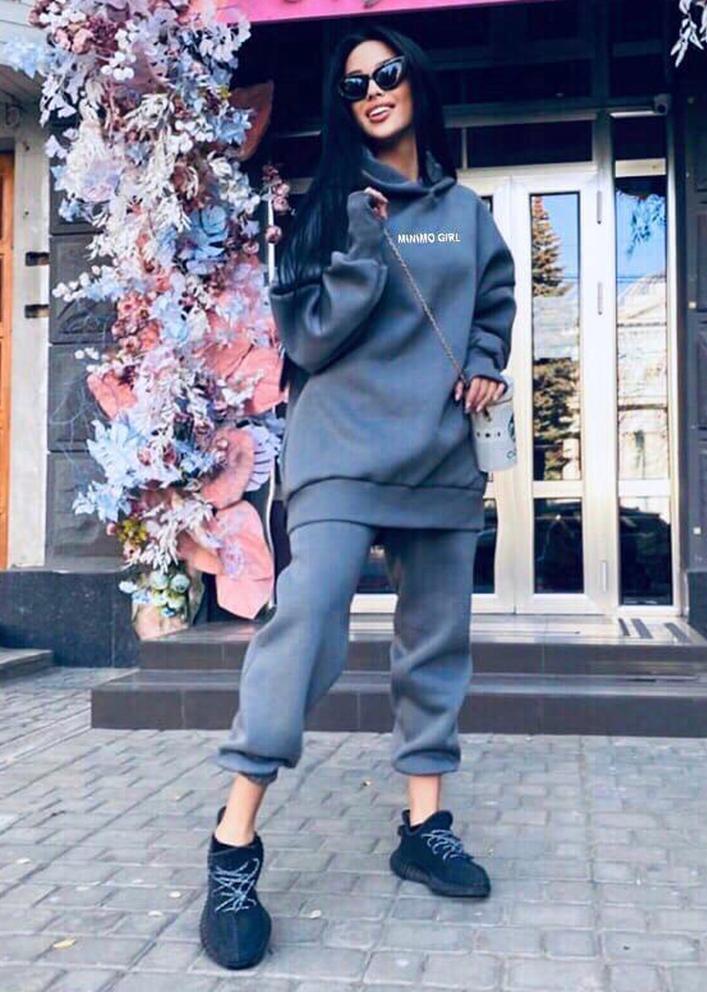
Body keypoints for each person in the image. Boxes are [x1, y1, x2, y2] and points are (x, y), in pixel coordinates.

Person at [199, 23, 516, 971]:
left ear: (417, 81)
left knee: (435, 640)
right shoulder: (326, 211)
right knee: (306, 622)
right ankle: (233, 844)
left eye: (386, 73)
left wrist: (486, 364)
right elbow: (308, 341)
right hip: (339, 450)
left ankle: (424, 829)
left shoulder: (467, 214)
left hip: (439, 453)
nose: (373, 90)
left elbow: (493, 307)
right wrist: (363, 248)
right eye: (353, 85)